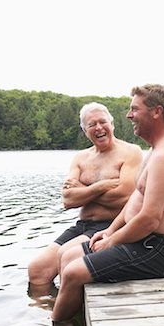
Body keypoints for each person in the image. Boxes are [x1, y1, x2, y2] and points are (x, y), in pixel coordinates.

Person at [51, 84, 164, 323]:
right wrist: (109, 231)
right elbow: (135, 201)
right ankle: (72, 318)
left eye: (134, 109)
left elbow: (150, 219)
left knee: (73, 271)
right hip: (146, 242)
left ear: (156, 112)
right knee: (67, 256)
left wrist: (112, 241)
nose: (129, 116)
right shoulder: (156, 150)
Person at [28, 102, 143, 297]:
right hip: (83, 225)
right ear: (84, 130)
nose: (98, 128)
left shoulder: (131, 152)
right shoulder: (80, 158)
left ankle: (69, 318)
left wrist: (83, 191)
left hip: (110, 225)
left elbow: (123, 195)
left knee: (67, 259)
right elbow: (68, 199)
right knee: (36, 270)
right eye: (91, 125)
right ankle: (49, 312)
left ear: (112, 124)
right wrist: (101, 186)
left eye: (102, 122)